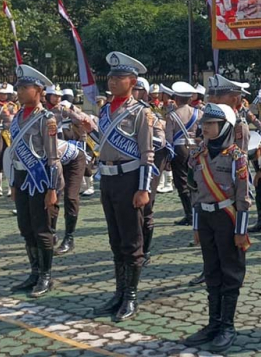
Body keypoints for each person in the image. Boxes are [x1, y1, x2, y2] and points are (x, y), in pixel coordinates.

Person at [183, 103, 251, 352]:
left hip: (228, 218)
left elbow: (244, 197)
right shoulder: (198, 154)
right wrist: (197, 226)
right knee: (211, 271)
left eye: (212, 124)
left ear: (225, 127)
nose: (207, 128)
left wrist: (241, 231)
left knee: (230, 273)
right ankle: (213, 323)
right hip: (207, 217)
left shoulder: (236, 157)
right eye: (205, 124)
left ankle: (227, 326)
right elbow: (196, 192)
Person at [93, 52, 155, 322]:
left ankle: (130, 296)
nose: (113, 81)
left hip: (130, 179)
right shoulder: (105, 110)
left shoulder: (142, 112)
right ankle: (119, 292)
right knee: (115, 238)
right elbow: (105, 143)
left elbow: (147, 153)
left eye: (119, 77)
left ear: (132, 81)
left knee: (131, 241)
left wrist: (143, 189)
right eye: (111, 77)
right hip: (108, 178)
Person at [7, 65, 61, 298]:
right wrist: (12, 184)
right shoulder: (18, 116)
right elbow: (14, 153)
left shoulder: (46, 119)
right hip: (21, 177)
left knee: (42, 229)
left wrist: (52, 188)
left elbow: (53, 158)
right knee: (26, 227)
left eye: (24, 87)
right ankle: (34, 271)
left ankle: (46, 276)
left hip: (39, 180)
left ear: (38, 90)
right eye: (18, 87)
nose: (18, 91)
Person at [45, 86, 94, 256]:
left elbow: (86, 124)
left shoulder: (67, 109)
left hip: (73, 157)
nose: (57, 98)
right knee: (52, 195)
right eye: (54, 96)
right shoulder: (43, 112)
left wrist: (72, 112)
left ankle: (69, 238)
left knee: (71, 196)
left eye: (59, 96)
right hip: (54, 157)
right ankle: (51, 233)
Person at [133, 78, 167, 266]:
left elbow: (160, 140)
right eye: (134, 88)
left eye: (139, 89)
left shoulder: (150, 113)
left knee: (146, 205)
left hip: (151, 161)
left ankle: (144, 250)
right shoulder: (118, 111)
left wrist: (139, 141)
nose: (134, 92)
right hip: (130, 164)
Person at [165, 82, 201, 227]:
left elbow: (168, 138)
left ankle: (189, 214)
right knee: (196, 180)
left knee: (182, 183)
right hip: (195, 147)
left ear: (177, 98)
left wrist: (168, 158)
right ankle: (197, 211)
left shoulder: (172, 115)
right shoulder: (199, 113)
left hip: (179, 149)